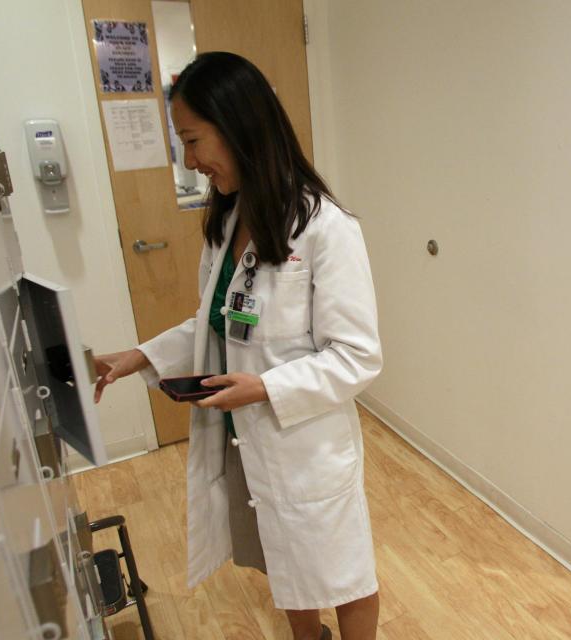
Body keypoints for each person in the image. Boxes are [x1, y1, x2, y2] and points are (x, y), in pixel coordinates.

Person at [93, 52, 382, 640]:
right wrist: (139, 357)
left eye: (194, 140)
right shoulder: (230, 221)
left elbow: (357, 355)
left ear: (239, 126)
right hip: (245, 432)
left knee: (341, 569)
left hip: (303, 440)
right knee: (285, 561)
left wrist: (265, 388)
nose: (191, 161)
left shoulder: (326, 229)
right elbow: (214, 324)